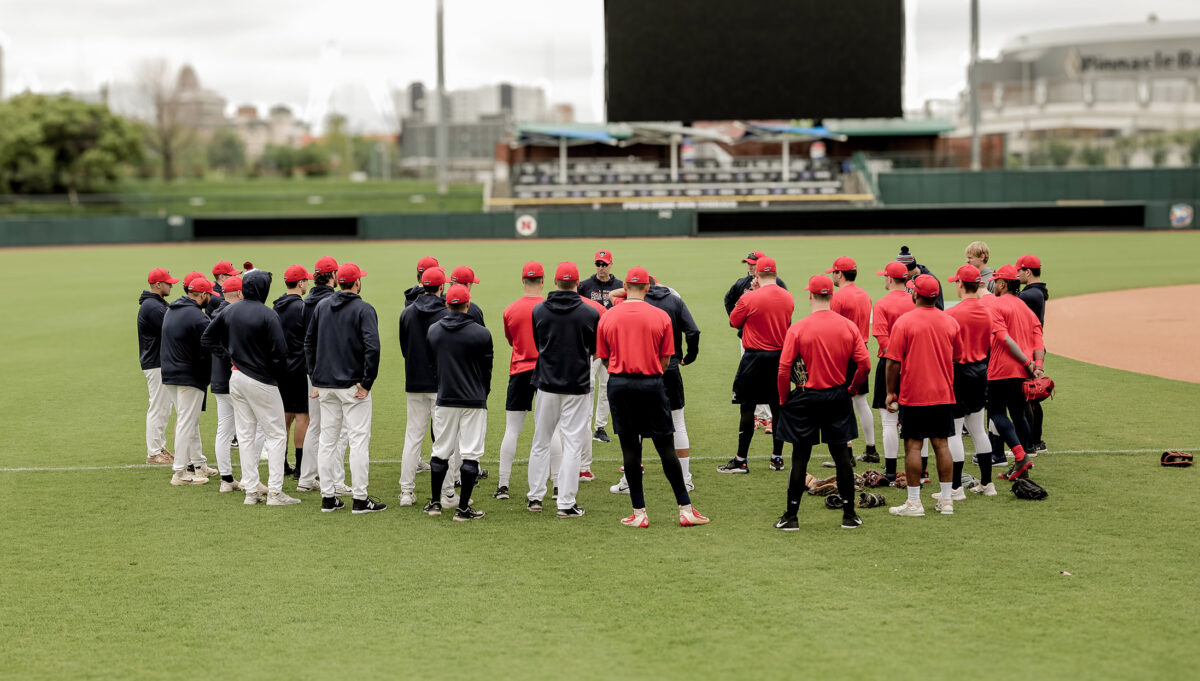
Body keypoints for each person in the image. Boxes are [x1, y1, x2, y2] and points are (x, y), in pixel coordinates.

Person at [597, 266, 708, 528]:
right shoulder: (660, 316)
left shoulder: (609, 316)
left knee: (630, 450)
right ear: (647, 288)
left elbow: (603, 356)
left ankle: (639, 513)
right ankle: (685, 508)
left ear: (625, 288)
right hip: (652, 383)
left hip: (619, 384)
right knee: (666, 447)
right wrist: (650, 374)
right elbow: (667, 357)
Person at [773, 275, 871, 531]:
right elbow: (865, 364)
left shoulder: (799, 327)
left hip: (805, 397)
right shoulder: (848, 326)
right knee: (841, 458)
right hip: (837, 396)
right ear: (831, 297)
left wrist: (785, 400)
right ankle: (849, 515)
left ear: (810, 296)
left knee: (799, 459)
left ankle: (791, 517)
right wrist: (851, 389)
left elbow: (784, 370)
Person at [201, 269, 299, 506]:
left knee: (244, 436)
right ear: (263, 289)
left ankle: (251, 492)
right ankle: (275, 493)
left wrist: (231, 354)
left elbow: (207, 338)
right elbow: (281, 353)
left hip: (236, 377)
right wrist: (271, 370)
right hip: (261, 381)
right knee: (276, 435)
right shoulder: (268, 314)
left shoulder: (229, 310)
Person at [304, 262, 386, 514]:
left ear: (340, 281)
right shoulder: (364, 308)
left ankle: (328, 497)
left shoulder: (322, 306)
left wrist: (314, 376)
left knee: (328, 440)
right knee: (358, 441)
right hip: (352, 385)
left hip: (326, 385)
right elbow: (372, 347)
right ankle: (360, 499)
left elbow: (309, 342)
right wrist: (367, 382)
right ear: (357, 282)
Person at [608, 275, 699, 494]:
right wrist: (690, 355)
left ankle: (630, 481)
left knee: (633, 428)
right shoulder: (673, 300)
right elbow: (693, 331)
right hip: (669, 368)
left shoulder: (626, 303)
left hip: (639, 372)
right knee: (678, 422)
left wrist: (629, 290)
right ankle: (685, 478)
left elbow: (612, 296)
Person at [884, 274, 963, 517]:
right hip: (942, 393)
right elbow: (957, 357)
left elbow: (893, 362)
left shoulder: (905, 322)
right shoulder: (950, 322)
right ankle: (947, 500)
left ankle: (914, 503)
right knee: (942, 444)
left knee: (913, 447)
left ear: (916, 294)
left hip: (914, 393)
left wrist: (890, 392)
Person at [526, 262, 601, 516]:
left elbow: (539, 344)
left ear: (555, 283)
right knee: (572, 445)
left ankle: (535, 498)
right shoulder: (590, 313)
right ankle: (565, 503)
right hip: (577, 385)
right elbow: (593, 350)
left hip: (547, 383)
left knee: (541, 440)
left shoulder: (539, 310)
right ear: (577, 284)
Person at [496, 262, 566, 500]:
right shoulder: (550, 308)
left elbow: (511, 340)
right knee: (552, 430)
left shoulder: (510, 309)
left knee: (512, 429)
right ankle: (557, 484)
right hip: (546, 372)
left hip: (519, 370)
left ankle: (503, 485)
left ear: (523, 280)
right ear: (544, 281)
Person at [423, 284, 493, 521]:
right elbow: (487, 371)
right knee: (471, 453)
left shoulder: (434, 331)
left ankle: (434, 503)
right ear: (467, 305)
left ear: (447, 304)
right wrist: (484, 394)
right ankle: (463, 509)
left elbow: (433, 364)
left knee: (440, 451)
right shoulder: (482, 334)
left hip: (445, 397)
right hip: (473, 399)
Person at [720, 256, 793, 474]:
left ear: (757, 276)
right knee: (778, 408)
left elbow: (734, 321)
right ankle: (776, 458)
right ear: (776, 274)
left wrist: (752, 293)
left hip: (753, 358)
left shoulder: (749, 298)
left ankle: (741, 460)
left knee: (747, 409)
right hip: (780, 357)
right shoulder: (788, 297)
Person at [398, 266, 458, 507]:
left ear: (422, 285)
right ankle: (448, 494)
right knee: (444, 439)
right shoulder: (446, 313)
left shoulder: (407, 313)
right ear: (442, 287)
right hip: (441, 383)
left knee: (412, 437)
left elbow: (405, 349)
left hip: (414, 381)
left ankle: (406, 492)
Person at [982, 265, 1045, 482]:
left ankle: (1020, 455)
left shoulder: (996, 305)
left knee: (997, 413)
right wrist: (1037, 366)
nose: (994, 284)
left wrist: (1028, 362)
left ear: (1002, 284)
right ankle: (1022, 467)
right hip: (1023, 372)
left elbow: (1004, 339)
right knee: (1019, 414)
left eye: (996, 281)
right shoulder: (1025, 307)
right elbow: (1038, 337)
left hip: (1001, 369)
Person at [296, 256, 351, 494]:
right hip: (333, 372)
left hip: (314, 372)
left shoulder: (307, 302)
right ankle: (336, 481)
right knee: (338, 429)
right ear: (333, 275)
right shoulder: (333, 301)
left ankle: (307, 478)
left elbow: (307, 341)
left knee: (317, 426)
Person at [943, 265, 997, 497]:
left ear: (961, 284)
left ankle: (956, 488)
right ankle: (987, 483)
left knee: (954, 431)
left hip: (958, 372)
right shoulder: (987, 312)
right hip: (980, 371)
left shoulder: (952, 314)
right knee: (978, 429)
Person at [724, 251, 788, 433]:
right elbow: (729, 301)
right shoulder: (742, 283)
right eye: (748, 263)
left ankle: (767, 418)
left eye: (753, 264)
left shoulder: (778, 285)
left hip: (772, 343)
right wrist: (741, 322)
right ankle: (761, 417)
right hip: (748, 341)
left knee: (769, 385)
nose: (750, 267)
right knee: (754, 384)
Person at [161, 276, 216, 485]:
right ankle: (180, 472)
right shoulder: (198, 318)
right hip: (189, 375)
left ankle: (199, 463)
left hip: (170, 373)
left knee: (189, 421)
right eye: (209, 294)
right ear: (202, 295)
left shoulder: (171, 310)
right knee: (186, 422)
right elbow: (207, 349)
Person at [825, 256, 878, 464]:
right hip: (861, 350)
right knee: (860, 400)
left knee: (841, 402)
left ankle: (846, 453)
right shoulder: (864, 295)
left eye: (834, 272)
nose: (832, 276)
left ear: (840, 273)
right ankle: (871, 448)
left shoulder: (838, 298)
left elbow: (831, 327)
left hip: (843, 353)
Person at [871, 262, 916, 481]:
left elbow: (882, 340)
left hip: (889, 365)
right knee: (916, 420)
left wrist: (895, 361)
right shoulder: (916, 301)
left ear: (889, 279)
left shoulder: (881, 303)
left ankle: (890, 472)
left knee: (889, 420)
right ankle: (921, 471)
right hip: (916, 365)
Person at [209, 275, 250, 493]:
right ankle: (245, 479)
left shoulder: (215, 314)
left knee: (224, 430)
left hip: (218, 380)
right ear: (240, 294)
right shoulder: (234, 315)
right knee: (245, 430)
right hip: (234, 379)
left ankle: (227, 480)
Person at [577, 249, 622, 443]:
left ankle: (600, 427)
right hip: (590, 345)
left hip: (612, 344)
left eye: (604, 264)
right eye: (598, 264)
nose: (601, 268)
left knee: (606, 385)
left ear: (611, 264)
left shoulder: (620, 286)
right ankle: (584, 425)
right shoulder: (585, 286)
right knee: (590, 384)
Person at [273, 265, 311, 478]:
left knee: (285, 417)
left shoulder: (276, 306)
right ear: (300, 283)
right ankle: (300, 467)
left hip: (279, 368)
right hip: (298, 368)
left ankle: (282, 464)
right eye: (306, 280)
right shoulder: (302, 308)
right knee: (302, 416)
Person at [138, 267, 179, 466]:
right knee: (159, 407)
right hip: (156, 363)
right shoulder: (152, 307)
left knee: (164, 408)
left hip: (157, 361)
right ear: (158, 285)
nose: (171, 285)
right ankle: (154, 453)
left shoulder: (156, 304)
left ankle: (159, 448)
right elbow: (171, 329)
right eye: (168, 282)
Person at [1017, 254, 1049, 452]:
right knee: (1033, 397)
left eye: (1019, 271)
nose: (1017, 274)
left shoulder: (1029, 295)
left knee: (1028, 398)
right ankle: (1036, 441)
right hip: (1034, 347)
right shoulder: (1037, 292)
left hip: (1028, 349)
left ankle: (1032, 443)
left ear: (1027, 272)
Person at [895, 245, 944, 310]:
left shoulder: (931, 281)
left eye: (903, 272)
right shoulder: (904, 277)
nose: (902, 275)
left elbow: (939, 308)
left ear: (911, 269)